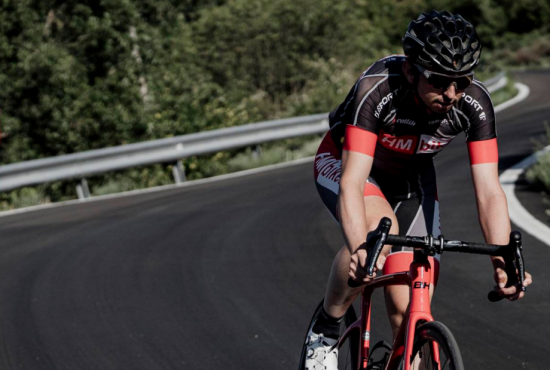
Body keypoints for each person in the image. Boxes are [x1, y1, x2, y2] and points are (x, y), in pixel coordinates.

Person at [305, 10, 533, 370]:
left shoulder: (474, 104)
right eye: (440, 81)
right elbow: (351, 181)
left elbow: (489, 190)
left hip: (411, 181)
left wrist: (502, 259)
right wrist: (360, 246)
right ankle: (327, 325)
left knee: (408, 308)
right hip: (347, 164)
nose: (452, 93)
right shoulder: (379, 88)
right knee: (379, 235)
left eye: (463, 80)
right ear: (411, 71)